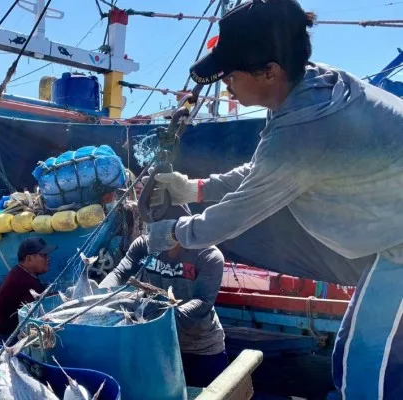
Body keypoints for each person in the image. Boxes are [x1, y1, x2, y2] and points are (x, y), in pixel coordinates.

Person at [140, 0, 403, 397]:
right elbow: (267, 172)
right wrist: (196, 189)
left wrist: (175, 231)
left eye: (229, 74)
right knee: (353, 354)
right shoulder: (310, 89)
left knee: (363, 367)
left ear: (269, 72)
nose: (225, 83)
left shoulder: (306, 127)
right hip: (392, 245)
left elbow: (240, 211)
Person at [99, 209, 227, 388]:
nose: (152, 234)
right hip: (159, 344)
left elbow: (203, 301)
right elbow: (121, 272)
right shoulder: (143, 245)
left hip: (200, 346)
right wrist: (97, 294)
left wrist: (167, 314)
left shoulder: (208, 255)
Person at [0, 237, 57, 337]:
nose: (48, 258)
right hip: (14, 335)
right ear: (28, 258)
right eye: (43, 255)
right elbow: (43, 308)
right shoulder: (24, 280)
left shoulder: (20, 272)